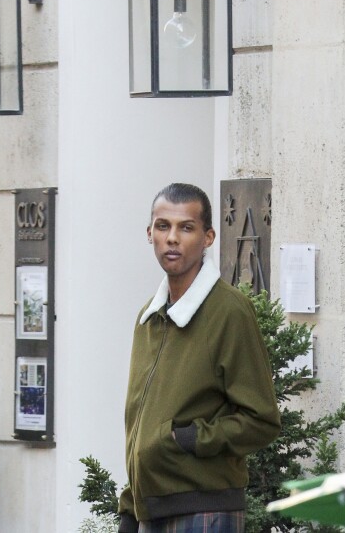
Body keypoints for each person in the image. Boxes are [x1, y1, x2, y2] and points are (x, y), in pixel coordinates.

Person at [118, 183, 281, 533]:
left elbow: (262, 419)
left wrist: (189, 438)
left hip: (205, 511)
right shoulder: (148, 317)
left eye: (186, 227)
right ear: (150, 234)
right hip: (154, 510)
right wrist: (130, 507)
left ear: (208, 237)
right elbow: (141, 424)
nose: (172, 238)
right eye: (163, 226)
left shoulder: (229, 311)